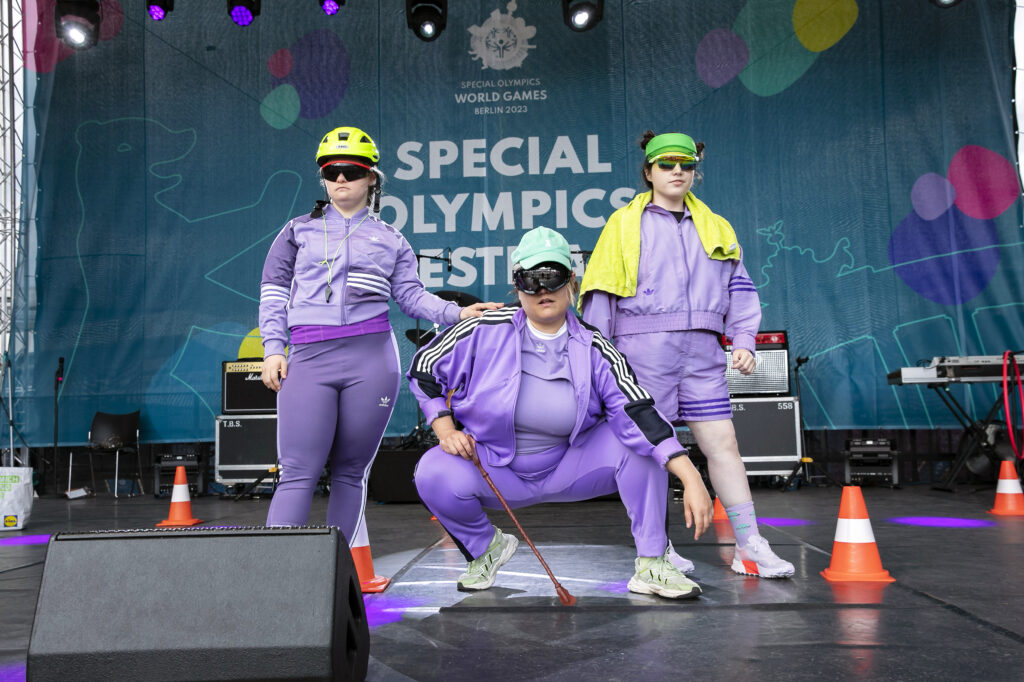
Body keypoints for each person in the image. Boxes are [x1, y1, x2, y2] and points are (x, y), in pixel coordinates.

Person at [408, 226, 713, 599]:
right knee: (432, 471)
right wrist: (444, 428)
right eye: (530, 279)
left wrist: (690, 474)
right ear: (516, 286)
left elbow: (635, 409)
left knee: (641, 445)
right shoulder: (481, 328)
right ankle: (485, 546)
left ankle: (653, 563)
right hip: (494, 468)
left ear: (571, 281)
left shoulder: (595, 346)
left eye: (551, 277)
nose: (542, 291)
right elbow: (424, 367)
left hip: (571, 466)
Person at [258, 125, 500, 547]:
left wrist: (458, 312)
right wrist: (273, 348)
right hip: (309, 356)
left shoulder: (392, 239)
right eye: (330, 171)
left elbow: (410, 296)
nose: (339, 180)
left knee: (352, 472)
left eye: (350, 171)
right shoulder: (296, 231)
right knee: (298, 470)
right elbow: (273, 293)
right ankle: (280, 579)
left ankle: (337, 575)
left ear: (372, 177)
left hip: (371, 358)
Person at [579, 131, 795, 579]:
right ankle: (656, 548)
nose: (677, 170)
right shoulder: (623, 224)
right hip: (641, 351)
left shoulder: (716, 226)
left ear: (695, 171)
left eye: (686, 163)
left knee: (724, 445)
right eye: (666, 163)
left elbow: (740, 288)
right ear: (648, 171)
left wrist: (744, 340)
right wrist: (599, 357)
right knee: (648, 449)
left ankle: (750, 545)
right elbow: (600, 293)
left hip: (702, 352)